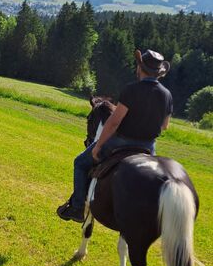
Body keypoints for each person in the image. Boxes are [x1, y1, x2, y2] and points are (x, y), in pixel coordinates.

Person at [57, 49, 173, 223]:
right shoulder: (167, 95)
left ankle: (78, 207)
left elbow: (114, 122)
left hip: (121, 142)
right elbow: (164, 126)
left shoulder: (131, 89)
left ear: (139, 68)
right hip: (148, 147)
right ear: (159, 73)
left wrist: (97, 146)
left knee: (80, 163)